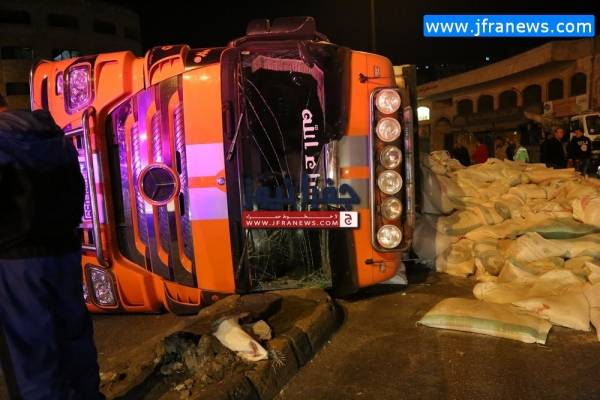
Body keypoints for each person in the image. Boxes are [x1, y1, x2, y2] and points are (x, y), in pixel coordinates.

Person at [0, 96, 104, 399]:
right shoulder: (50, 135)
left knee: (31, 354)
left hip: (15, 264)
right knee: (74, 339)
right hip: (63, 253)